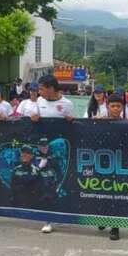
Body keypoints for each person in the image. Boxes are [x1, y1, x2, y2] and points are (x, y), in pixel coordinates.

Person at [30, 74, 75, 233]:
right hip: (44, 150)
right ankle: (47, 219)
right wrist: (33, 118)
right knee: (46, 182)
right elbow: (32, 120)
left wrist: (71, 120)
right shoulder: (39, 101)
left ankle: (62, 214)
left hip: (60, 153)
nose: (39, 92)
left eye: (41, 89)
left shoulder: (67, 104)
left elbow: (74, 126)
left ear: (50, 89)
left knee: (61, 182)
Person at [95, 94, 128, 241]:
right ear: (107, 107)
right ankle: (103, 218)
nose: (116, 108)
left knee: (116, 195)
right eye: (113, 106)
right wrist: (95, 122)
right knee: (103, 193)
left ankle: (115, 227)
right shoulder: (100, 121)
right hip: (104, 164)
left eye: (118, 106)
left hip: (120, 165)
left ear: (122, 107)